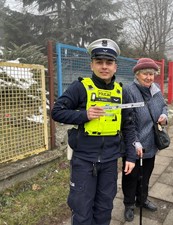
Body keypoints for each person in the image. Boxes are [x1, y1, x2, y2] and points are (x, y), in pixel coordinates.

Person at [51, 38, 136, 225]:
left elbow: (129, 127)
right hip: (84, 160)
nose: (104, 66)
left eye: (109, 62)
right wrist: (84, 115)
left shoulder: (122, 92)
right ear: (92, 65)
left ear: (115, 66)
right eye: (99, 62)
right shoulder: (80, 87)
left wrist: (130, 157)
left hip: (110, 161)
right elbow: (57, 112)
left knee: (104, 208)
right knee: (81, 209)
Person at [121, 58, 168, 222]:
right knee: (131, 176)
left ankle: (142, 199)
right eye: (145, 74)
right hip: (134, 143)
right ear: (137, 74)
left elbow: (163, 106)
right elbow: (127, 120)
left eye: (151, 74)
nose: (149, 77)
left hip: (151, 142)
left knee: (146, 175)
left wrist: (165, 116)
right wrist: (135, 142)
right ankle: (128, 204)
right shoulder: (129, 91)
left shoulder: (156, 89)